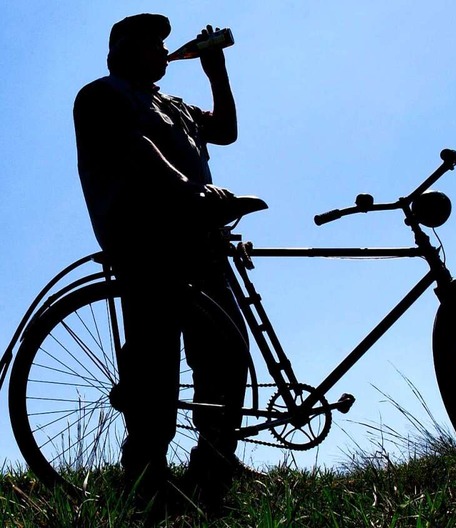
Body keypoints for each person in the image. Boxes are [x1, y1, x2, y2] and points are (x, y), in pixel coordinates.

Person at [73, 13, 250, 512]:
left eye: (162, 43)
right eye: (148, 42)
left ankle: (212, 469)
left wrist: (216, 71)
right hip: (147, 245)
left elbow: (227, 131)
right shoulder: (102, 95)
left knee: (226, 355)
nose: (160, 50)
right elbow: (135, 149)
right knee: (155, 365)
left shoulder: (173, 103)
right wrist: (192, 191)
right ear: (119, 51)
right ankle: (146, 479)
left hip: (201, 244)